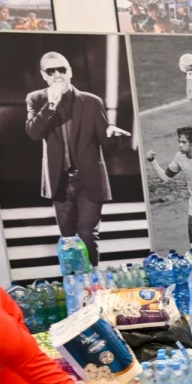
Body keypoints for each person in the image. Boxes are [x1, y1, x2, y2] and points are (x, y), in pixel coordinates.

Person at [25, 51, 131, 267]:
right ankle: (76, 283)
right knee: (69, 239)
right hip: (59, 181)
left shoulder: (91, 102)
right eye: (51, 71)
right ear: (44, 75)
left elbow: (106, 140)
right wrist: (51, 106)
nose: (57, 75)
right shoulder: (36, 99)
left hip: (88, 179)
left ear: (70, 72)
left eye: (61, 70)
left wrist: (112, 136)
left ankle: (93, 281)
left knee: (87, 235)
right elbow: (33, 133)